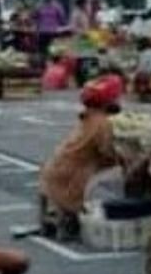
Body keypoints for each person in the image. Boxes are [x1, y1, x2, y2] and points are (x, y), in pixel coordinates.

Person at [39, 77, 123, 237]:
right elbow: (108, 154)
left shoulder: (88, 118)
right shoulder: (102, 124)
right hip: (71, 180)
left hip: (54, 172)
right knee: (121, 174)